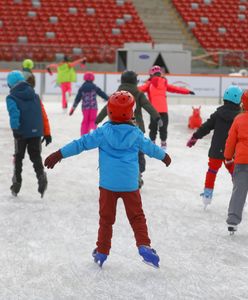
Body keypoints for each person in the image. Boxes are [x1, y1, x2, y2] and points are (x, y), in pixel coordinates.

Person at [44, 90, 172, 268]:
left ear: (110, 111)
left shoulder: (102, 133)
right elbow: (150, 148)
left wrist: (59, 154)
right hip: (129, 185)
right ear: (131, 112)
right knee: (136, 217)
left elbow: (80, 144)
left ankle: (102, 251)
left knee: (106, 219)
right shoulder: (135, 134)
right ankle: (144, 245)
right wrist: (164, 157)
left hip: (108, 185)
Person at [95, 70, 163, 188]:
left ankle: (118, 177)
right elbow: (148, 106)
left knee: (119, 153)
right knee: (137, 154)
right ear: (135, 81)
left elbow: (107, 107)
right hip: (136, 129)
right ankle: (137, 176)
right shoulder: (138, 93)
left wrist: (98, 119)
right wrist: (157, 117)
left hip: (118, 129)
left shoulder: (117, 94)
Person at [187, 85, 242, 209]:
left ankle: (207, 195)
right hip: (232, 152)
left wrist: (195, 137)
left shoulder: (218, 114)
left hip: (216, 150)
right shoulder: (240, 117)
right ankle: (240, 195)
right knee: (235, 173)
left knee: (212, 171)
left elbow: (206, 126)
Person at [6, 70, 52, 197]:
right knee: (36, 156)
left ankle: (16, 184)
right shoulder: (35, 95)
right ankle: (41, 176)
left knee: (18, 158)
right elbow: (42, 114)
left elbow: (14, 114)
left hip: (21, 132)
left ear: (10, 84)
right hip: (36, 132)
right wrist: (47, 132)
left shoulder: (11, 97)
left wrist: (15, 130)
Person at [139, 65, 195, 149]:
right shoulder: (164, 83)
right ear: (160, 74)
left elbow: (137, 90)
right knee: (163, 128)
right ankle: (163, 144)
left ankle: (152, 143)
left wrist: (126, 89)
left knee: (153, 128)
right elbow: (176, 89)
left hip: (153, 111)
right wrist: (188, 91)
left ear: (151, 75)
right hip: (164, 111)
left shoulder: (149, 84)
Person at [225, 90, 248, 234]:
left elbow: (231, 140)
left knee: (239, 191)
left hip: (242, 162)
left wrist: (228, 157)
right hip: (242, 161)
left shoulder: (239, 119)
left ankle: (233, 221)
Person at [69, 72, 108, 136]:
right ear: (93, 79)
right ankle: (93, 131)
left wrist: (73, 109)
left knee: (85, 121)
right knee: (93, 120)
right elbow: (102, 94)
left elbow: (77, 99)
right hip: (93, 107)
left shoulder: (82, 88)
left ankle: (84, 134)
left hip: (85, 108)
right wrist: (109, 99)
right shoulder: (95, 87)